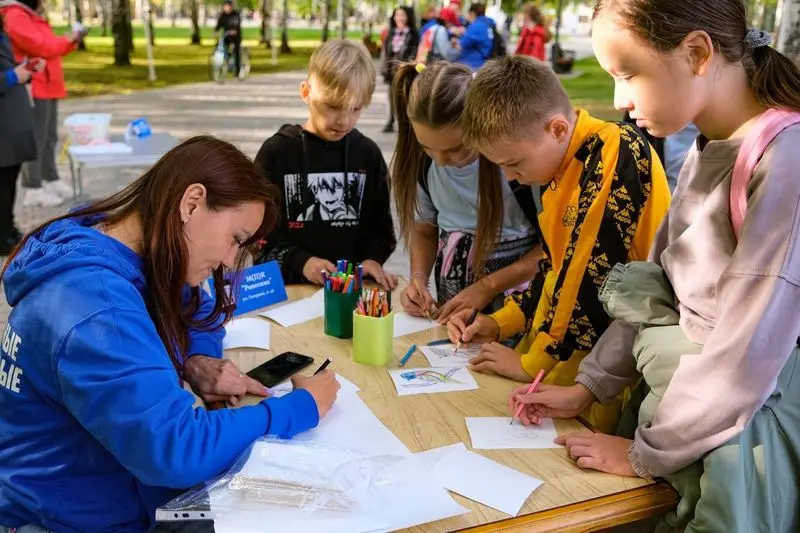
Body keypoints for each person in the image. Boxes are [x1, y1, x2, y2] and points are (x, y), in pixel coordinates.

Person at [510, 1, 800, 531]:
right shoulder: (709, 144)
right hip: (680, 424)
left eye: (628, 74)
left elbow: (744, 358)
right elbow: (656, 284)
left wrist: (645, 454)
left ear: (695, 52)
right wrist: (590, 386)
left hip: (735, 450)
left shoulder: (784, 162)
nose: (619, 99)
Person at [0, 136, 341, 532]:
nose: (231, 259)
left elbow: (194, 308)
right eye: (235, 238)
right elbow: (176, 449)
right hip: (71, 517)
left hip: (109, 487)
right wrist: (299, 409)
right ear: (191, 203)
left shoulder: (117, 239)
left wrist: (194, 358)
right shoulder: (97, 310)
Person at [449, 55, 671, 433]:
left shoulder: (615, 151)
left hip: (610, 367)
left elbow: (587, 276)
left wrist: (531, 362)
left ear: (557, 129)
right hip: (572, 362)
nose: (510, 177)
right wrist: (501, 322)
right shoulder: (559, 170)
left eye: (514, 163)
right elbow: (555, 270)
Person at [391, 61, 541, 323]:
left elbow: (552, 249)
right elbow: (425, 231)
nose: (440, 160)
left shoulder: (514, 166)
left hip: (519, 309)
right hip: (454, 307)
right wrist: (418, 280)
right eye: (427, 147)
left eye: (456, 148)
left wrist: (488, 287)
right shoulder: (424, 166)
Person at [255, 40, 397, 290]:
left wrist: (372, 259)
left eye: (355, 109)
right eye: (333, 106)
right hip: (289, 289)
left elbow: (382, 229)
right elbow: (256, 230)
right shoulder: (277, 152)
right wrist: (302, 261)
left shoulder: (368, 155)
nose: (343, 120)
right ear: (306, 92)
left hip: (352, 290)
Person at [0, 0, 83, 208]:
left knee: (49, 137)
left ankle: (50, 178)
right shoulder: (15, 15)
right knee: (37, 138)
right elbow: (42, 46)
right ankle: (33, 187)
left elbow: (51, 47)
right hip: (35, 83)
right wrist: (67, 39)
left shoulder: (30, 15)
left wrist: (69, 42)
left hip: (48, 83)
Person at [0, 14, 38, 256]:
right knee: (2, 180)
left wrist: (25, 69)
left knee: (9, 177)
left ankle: (6, 227)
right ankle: (2, 235)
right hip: (3, 123)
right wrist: (14, 76)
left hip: (10, 120)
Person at [381, 6, 419, 133]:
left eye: (402, 15)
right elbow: (386, 51)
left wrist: (407, 65)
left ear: (408, 17)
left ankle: (406, 123)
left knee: (405, 96)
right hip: (391, 69)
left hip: (405, 68)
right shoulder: (391, 32)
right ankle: (391, 120)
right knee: (391, 96)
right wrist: (385, 67)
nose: (399, 18)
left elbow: (414, 51)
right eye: (397, 15)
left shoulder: (413, 34)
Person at [452, 3, 495, 70]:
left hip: (472, 64)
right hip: (482, 62)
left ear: (472, 13)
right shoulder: (486, 24)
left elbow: (463, 43)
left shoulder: (476, 25)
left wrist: (455, 39)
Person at [214, 0, 242, 79]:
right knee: (221, 46)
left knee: (236, 52)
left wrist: (234, 30)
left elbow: (237, 23)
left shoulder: (236, 14)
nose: (226, 8)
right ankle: (225, 62)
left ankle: (237, 71)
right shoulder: (223, 15)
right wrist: (215, 31)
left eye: (228, 6)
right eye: (225, 6)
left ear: (231, 7)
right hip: (226, 37)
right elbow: (219, 25)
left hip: (236, 37)